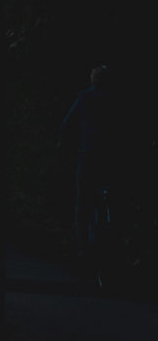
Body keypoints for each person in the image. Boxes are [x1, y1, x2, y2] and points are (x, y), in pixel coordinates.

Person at [58, 64, 115, 274]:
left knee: (82, 203)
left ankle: (82, 249)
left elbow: (67, 125)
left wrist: (62, 145)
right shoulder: (116, 100)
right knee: (107, 200)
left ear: (93, 79)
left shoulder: (84, 98)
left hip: (87, 156)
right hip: (110, 158)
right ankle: (108, 242)